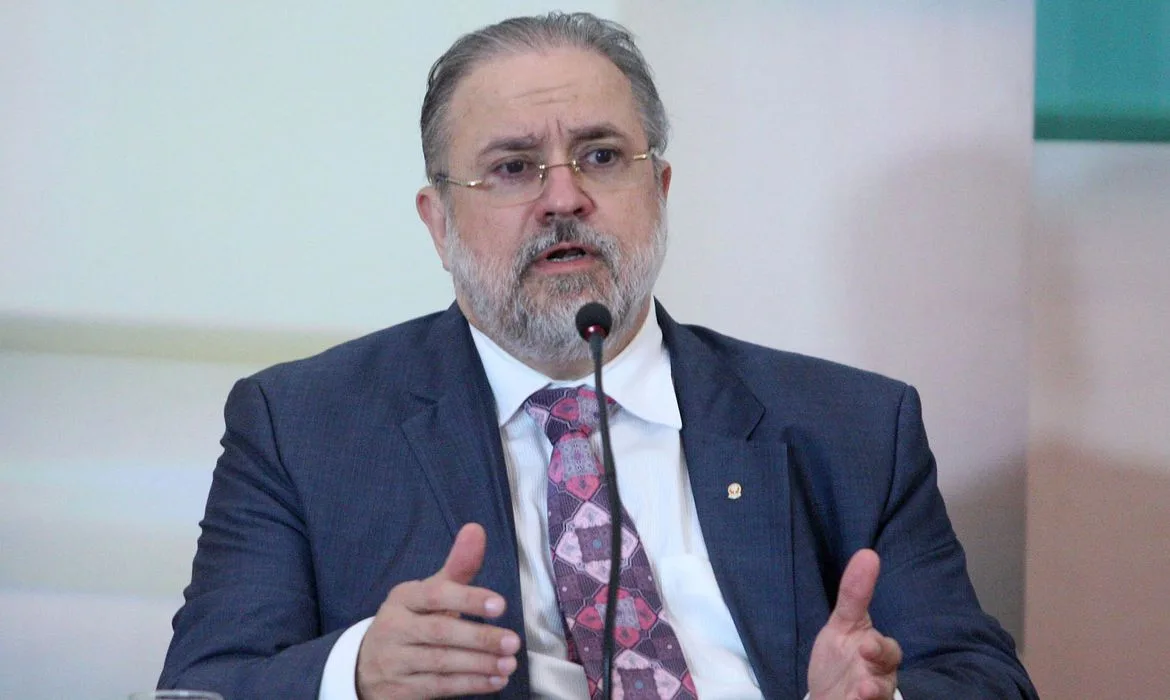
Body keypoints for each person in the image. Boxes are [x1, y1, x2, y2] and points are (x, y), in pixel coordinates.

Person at [159, 12, 1036, 700]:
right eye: (512, 168)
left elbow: (985, 679)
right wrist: (356, 672)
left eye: (602, 156)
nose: (564, 198)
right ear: (437, 222)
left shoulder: (852, 427)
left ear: (657, 192)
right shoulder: (302, 426)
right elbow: (200, 686)